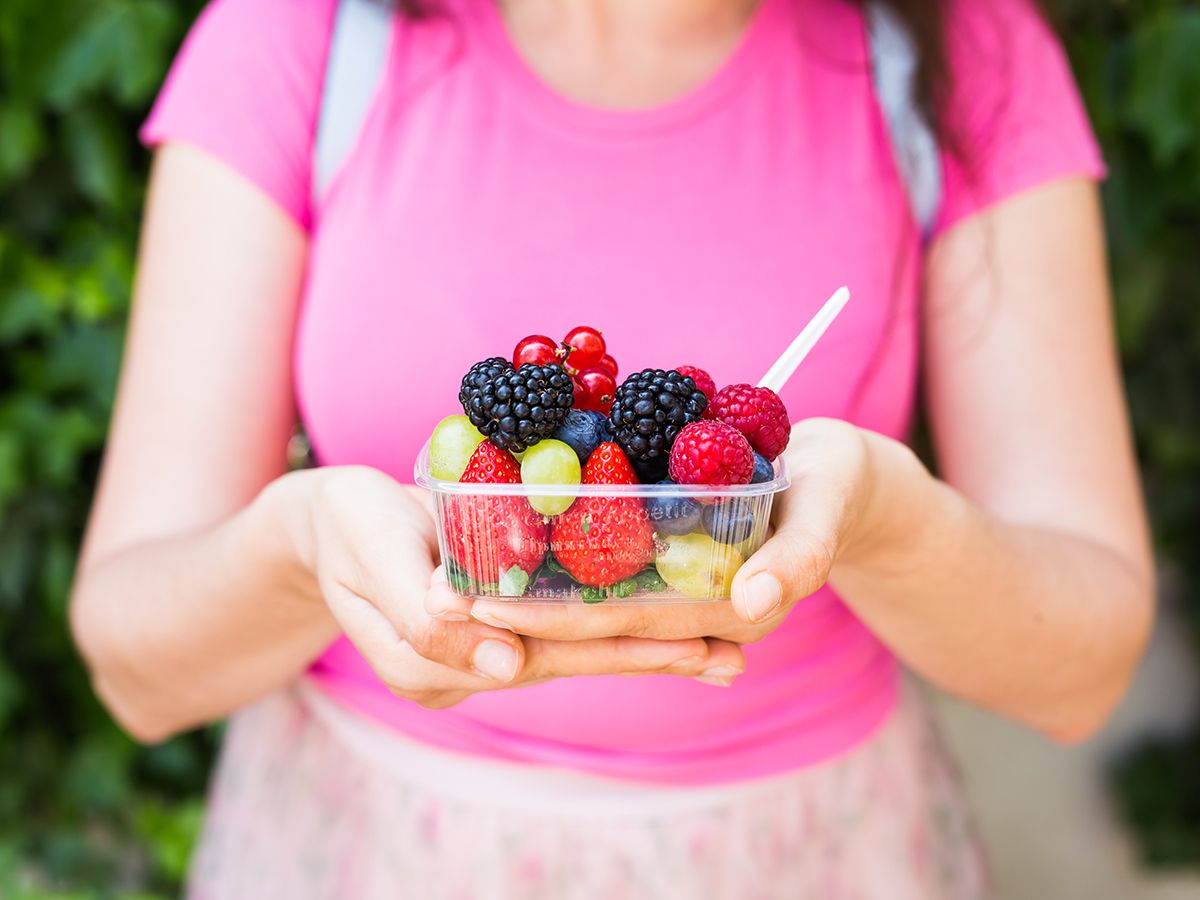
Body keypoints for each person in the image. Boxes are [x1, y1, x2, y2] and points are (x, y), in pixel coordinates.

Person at [70, 0, 1154, 896]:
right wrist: (299, 547)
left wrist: (886, 521)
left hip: (806, 853)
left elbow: (1082, 669)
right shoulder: (300, 34)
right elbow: (136, 670)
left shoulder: (960, 50)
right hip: (366, 846)